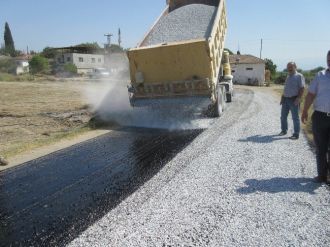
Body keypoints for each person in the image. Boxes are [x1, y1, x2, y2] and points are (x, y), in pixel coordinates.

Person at [302, 50, 330, 183]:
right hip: (320, 117)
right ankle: (322, 175)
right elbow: (310, 94)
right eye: (328, 59)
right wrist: (305, 110)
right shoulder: (320, 75)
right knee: (321, 148)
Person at [279, 62, 305, 140]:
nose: (289, 68)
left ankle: (296, 134)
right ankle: (284, 130)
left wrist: (298, 98)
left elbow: (302, 88)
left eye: (291, 67)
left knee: (295, 118)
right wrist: (282, 98)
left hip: (294, 99)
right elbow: (286, 88)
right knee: (283, 117)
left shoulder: (299, 76)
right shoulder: (288, 76)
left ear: (295, 67)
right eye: (288, 67)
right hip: (286, 99)